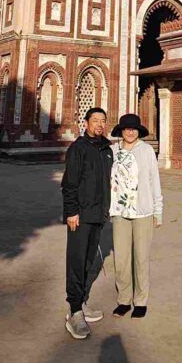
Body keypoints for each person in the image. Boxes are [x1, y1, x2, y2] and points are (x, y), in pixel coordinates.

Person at [61, 106, 112, 339]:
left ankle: (81, 304)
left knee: (89, 260)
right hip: (80, 216)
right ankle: (73, 312)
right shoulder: (78, 149)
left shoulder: (106, 150)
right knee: (77, 261)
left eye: (103, 121)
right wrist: (71, 212)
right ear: (87, 123)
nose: (100, 125)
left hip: (98, 214)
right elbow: (69, 184)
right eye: (95, 120)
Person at [109, 113, 163, 319]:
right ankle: (124, 300)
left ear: (138, 131)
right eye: (126, 129)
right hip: (120, 213)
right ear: (121, 131)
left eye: (133, 129)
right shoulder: (113, 151)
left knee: (141, 258)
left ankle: (141, 301)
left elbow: (154, 181)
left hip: (143, 211)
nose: (130, 132)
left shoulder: (147, 151)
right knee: (121, 259)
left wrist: (158, 210)